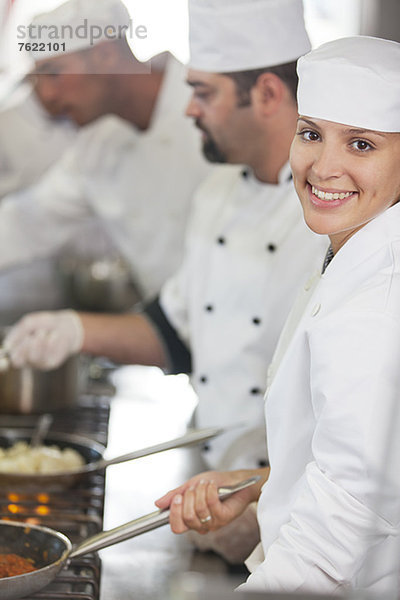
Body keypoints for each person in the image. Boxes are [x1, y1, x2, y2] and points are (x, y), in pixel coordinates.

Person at [3, 0, 324, 562]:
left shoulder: (336, 207)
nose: (189, 110)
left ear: (269, 95)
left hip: (304, 494)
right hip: (221, 461)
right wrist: (74, 329)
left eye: (204, 94)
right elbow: (179, 327)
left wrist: (276, 486)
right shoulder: (218, 192)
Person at [155, 36, 400, 594]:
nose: (323, 165)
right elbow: (368, 465)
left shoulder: (377, 305)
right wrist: (264, 484)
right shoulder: (350, 253)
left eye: (361, 144)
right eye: (311, 133)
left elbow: (334, 539)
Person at [0, 0, 210, 321]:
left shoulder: (211, 109)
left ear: (105, 54)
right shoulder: (96, 144)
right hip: (181, 341)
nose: (48, 96)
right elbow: (27, 222)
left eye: (54, 73)